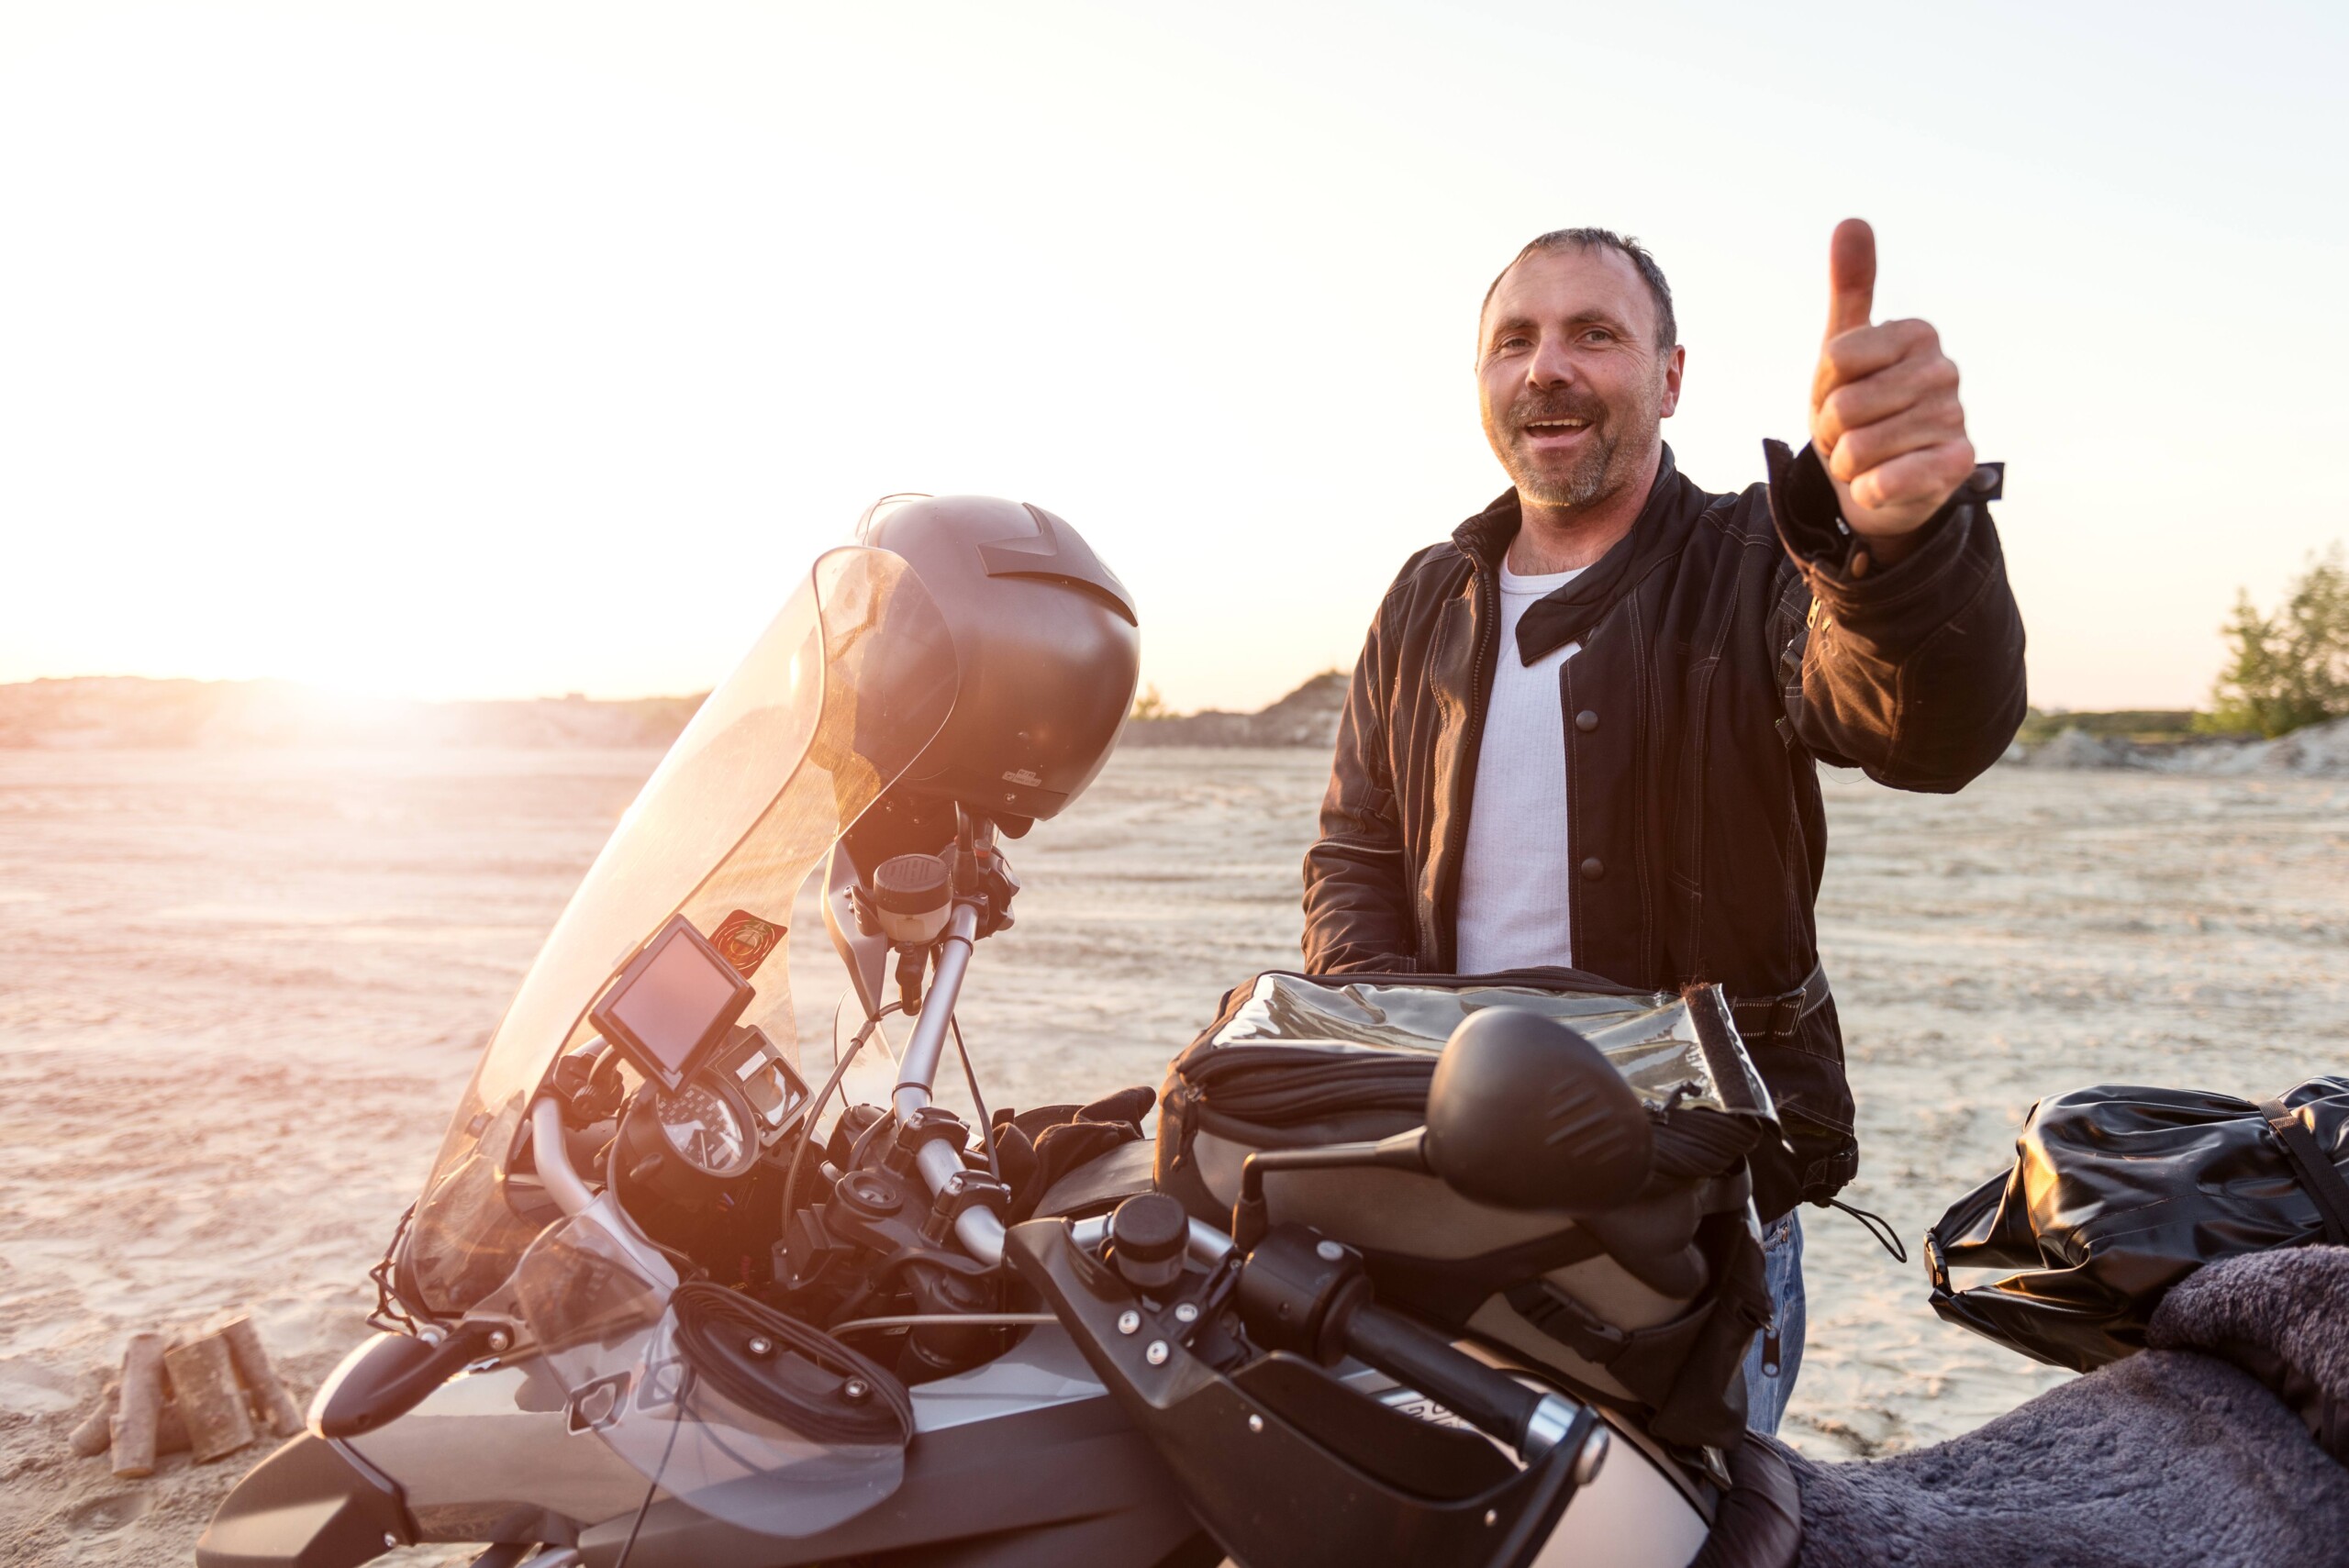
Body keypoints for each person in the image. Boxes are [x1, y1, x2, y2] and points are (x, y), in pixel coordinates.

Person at [1300, 219, 2026, 1435]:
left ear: (1670, 375)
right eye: (1515, 340)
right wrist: (1408, 1073)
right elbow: (1354, 858)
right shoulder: (1427, 596)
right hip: (1446, 1196)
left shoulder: (1758, 556)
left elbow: (1919, 723)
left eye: (1597, 333)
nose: (1549, 366)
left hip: (1691, 1228)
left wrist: (1898, 552)